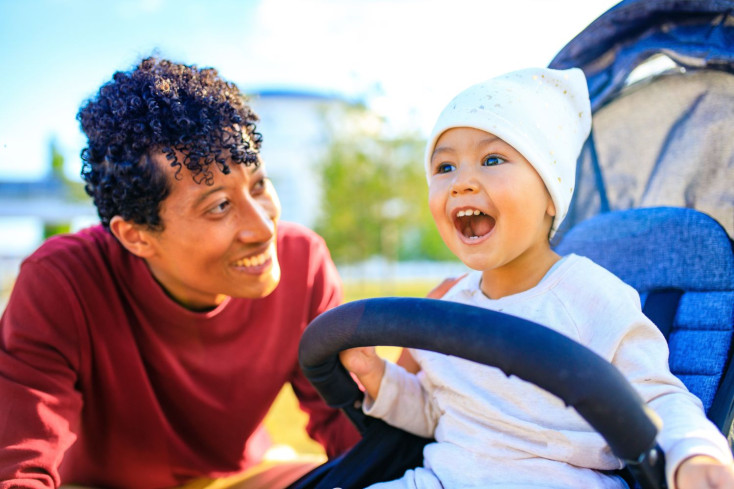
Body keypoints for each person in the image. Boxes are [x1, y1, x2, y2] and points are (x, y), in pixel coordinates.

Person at [340, 67, 734, 489]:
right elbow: (441, 413)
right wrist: (379, 376)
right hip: (439, 480)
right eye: (444, 166)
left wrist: (695, 451)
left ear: (551, 193)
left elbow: (657, 397)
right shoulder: (453, 305)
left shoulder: (590, 295)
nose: (461, 183)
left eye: (492, 159)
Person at [0, 56, 359, 489]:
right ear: (135, 236)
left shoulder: (303, 262)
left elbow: (353, 436)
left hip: (239, 479)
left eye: (259, 185)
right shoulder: (61, 281)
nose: (264, 228)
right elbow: (18, 470)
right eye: (219, 206)